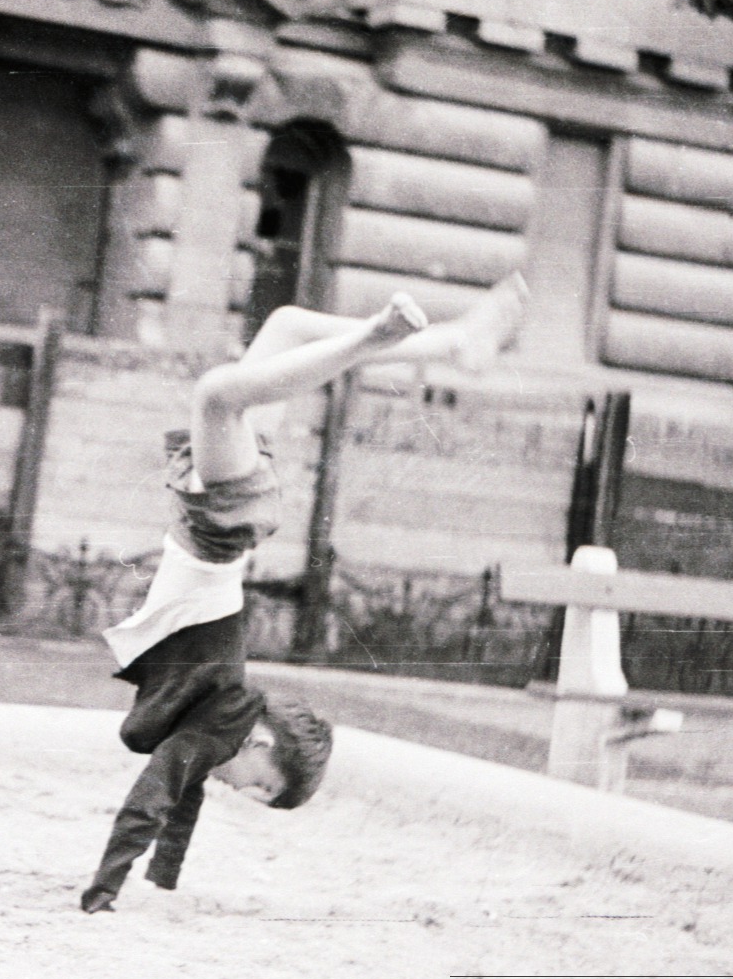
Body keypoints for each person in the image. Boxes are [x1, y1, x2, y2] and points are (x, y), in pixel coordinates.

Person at [80, 274, 529, 914]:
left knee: (287, 323)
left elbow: (180, 795)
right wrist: (102, 893)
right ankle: (382, 338)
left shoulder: (221, 726)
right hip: (217, 527)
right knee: (216, 397)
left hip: (224, 519)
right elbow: (152, 793)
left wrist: (164, 878)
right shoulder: (220, 728)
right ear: (262, 746)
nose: (250, 795)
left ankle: (457, 342)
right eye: (265, 790)